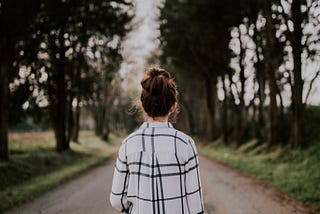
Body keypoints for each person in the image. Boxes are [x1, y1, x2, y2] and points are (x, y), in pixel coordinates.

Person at [110, 67, 204, 214]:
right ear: (173, 106)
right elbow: (195, 204)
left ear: (142, 106)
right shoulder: (186, 144)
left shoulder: (128, 145)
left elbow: (117, 200)